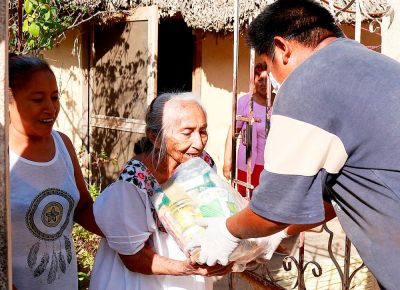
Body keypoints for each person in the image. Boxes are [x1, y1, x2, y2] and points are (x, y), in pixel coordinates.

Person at [198, 0, 400, 289]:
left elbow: (272, 210)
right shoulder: (381, 66)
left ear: (282, 48)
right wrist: (278, 233)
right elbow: (339, 194)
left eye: (268, 66)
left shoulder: (308, 82)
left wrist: (226, 231)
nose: (274, 81)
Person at [89, 93, 234, 290]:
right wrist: (187, 268)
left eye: (202, 131)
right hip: (141, 281)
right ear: (155, 138)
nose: (199, 143)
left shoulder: (203, 163)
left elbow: (212, 213)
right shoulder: (133, 183)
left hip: (189, 275)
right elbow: (134, 258)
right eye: (187, 132)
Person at [8, 54, 103, 290]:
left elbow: (82, 207)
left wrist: (124, 231)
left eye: (54, 97)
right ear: (8, 102)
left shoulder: (63, 145)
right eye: (38, 99)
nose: (50, 108)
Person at [223, 62, 270, 197]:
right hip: (247, 164)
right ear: (253, 80)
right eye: (260, 79)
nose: (263, 83)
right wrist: (227, 162)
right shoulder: (245, 101)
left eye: (266, 80)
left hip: (271, 166)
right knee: (245, 201)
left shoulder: (277, 102)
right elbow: (233, 132)